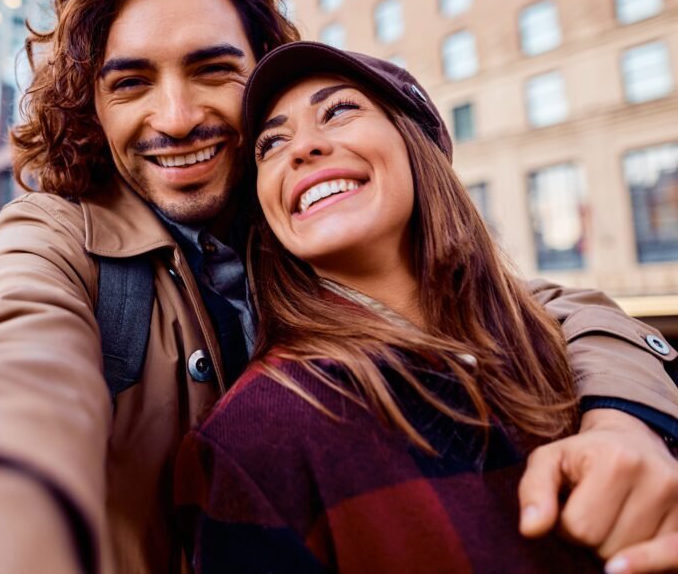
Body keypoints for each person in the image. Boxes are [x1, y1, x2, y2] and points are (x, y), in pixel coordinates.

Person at [0, 0, 678, 574]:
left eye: (212, 69)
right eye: (132, 83)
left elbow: (539, 309)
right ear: (94, 108)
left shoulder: (304, 215)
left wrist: (628, 416)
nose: (175, 118)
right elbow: (14, 376)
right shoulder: (56, 236)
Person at [176, 41, 678, 574]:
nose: (302, 148)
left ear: (417, 147)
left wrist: (630, 425)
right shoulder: (250, 444)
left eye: (339, 110)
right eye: (271, 144)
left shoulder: (562, 346)